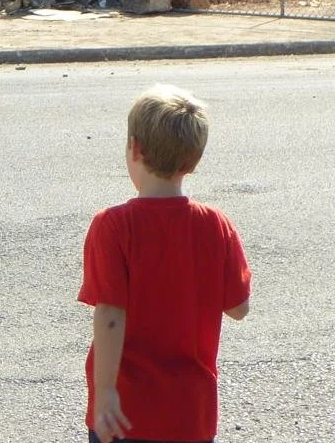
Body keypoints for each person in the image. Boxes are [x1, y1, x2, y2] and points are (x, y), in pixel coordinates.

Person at [78, 84, 251, 443]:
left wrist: (106, 390)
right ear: (193, 159)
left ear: (135, 148)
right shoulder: (214, 223)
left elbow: (110, 313)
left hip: (126, 412)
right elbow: (239, 308)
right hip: (190, 412)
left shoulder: (113, 225)